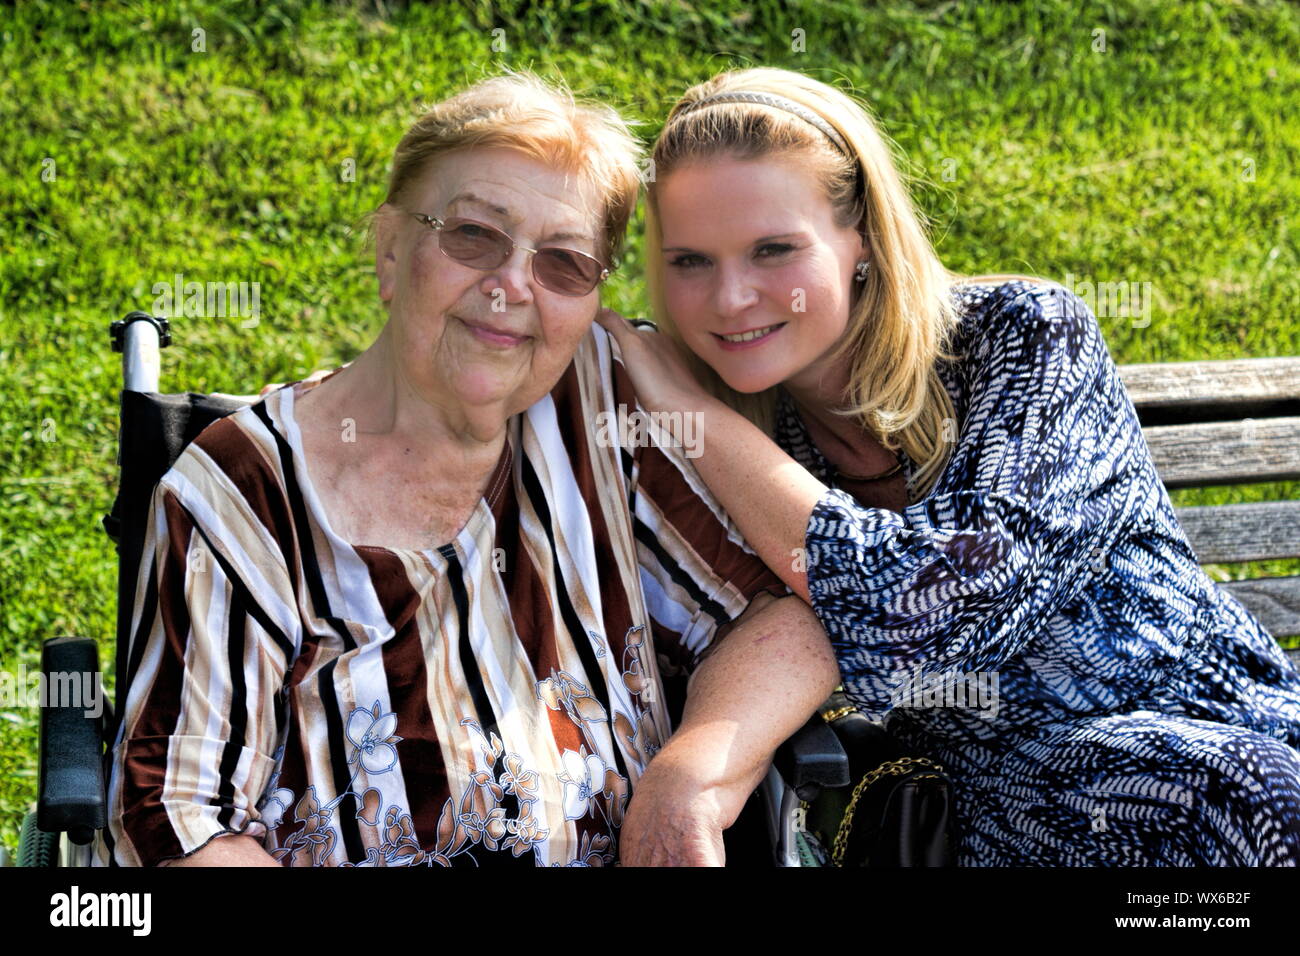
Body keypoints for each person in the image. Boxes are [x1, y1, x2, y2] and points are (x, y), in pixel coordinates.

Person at [93, 72, 840, 868]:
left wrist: (687, 780)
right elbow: (178, 814)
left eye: (564, 263)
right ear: (389, 248)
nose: (514, 284)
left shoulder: (597, 414)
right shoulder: (244, 493)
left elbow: (791, 607)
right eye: (474, 235)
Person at [597, 67, 1300, 865]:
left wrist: (696, 417)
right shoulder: (750, 437)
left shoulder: (1026, 339)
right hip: (1009, 799)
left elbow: (934, 619)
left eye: (773, 250)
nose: (730, 300)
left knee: (1244, 792)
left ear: (859, 236)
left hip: (1229, 725)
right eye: (691, 261)